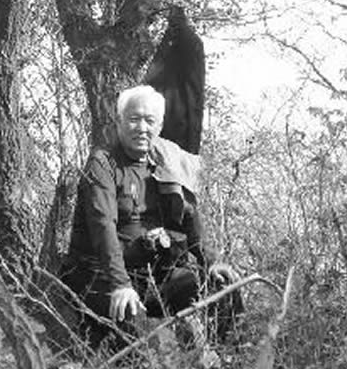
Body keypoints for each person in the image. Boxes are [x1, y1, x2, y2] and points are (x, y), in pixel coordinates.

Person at [61, 85, 237, 350]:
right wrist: (120, 285)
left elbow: (189, 215)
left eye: (149, 121)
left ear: (160, 125)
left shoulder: (167, 160)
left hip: (152, 275)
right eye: (134, 119)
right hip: (101, 277)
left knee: (222, 289)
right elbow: (102, 226)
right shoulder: (102, 162)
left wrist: (210, 261)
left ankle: (227, 363)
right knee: (142, 340)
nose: (142, 128)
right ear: (119, 122)